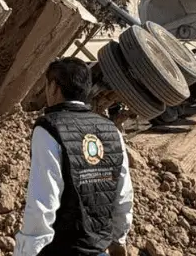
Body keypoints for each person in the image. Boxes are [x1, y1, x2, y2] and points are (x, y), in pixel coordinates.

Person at [14, 57, 133, 256]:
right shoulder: (112, 130)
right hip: (98, 249)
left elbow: (43, 201)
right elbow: (123, 193)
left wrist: (27, 252)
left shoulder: (49, 128)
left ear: (53, 87)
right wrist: (119, 239)